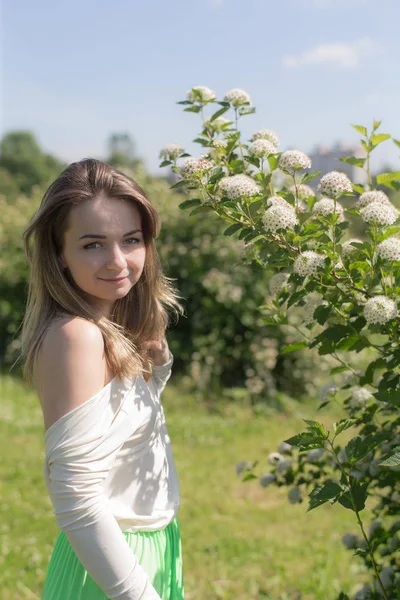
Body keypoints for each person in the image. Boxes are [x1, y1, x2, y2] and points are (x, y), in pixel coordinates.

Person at [19, 158, 186, 599]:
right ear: (59, 253)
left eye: (130, 240)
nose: (117, 261)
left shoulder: (112, 327)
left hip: (152, 546)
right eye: (93, 244)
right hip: (110, 569)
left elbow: (120, 433)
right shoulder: (75, 336)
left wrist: (157, 364)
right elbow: (75, 497)